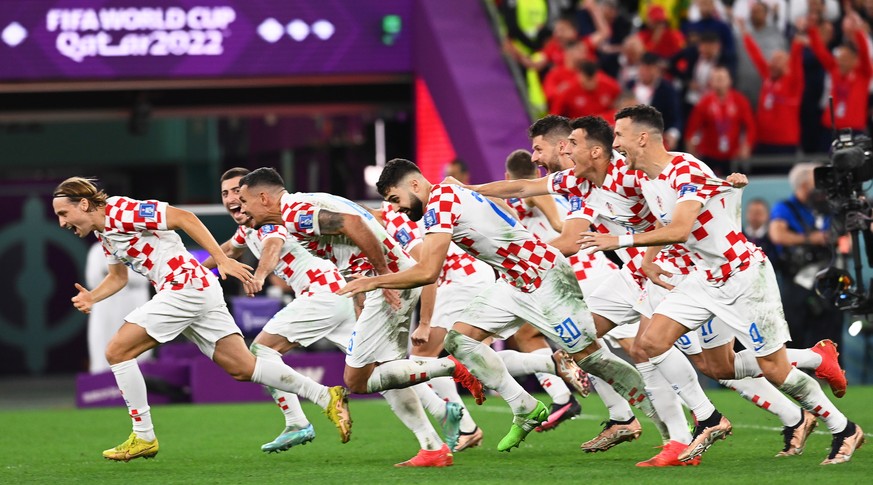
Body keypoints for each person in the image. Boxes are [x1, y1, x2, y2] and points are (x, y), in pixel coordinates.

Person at [584, 104, 863, 465]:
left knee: (775, 370)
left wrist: (618, 243)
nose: (614, 144)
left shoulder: (684, 169)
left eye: (619, 135)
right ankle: (710, 418)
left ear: (642, 137)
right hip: (701, 279)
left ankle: (842, 426)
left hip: (742, 273)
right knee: (660, 346)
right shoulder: (644, 178)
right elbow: (658, 224)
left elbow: (681, 227)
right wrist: (649, 261)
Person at [339, 158, 655, 455]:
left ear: (416, 185)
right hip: (511, 282)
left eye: (396, 198)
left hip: (543, 277)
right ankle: (525, 406)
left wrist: (373, 281)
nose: (397, 208)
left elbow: (427, 272)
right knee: (459, 340)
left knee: (592, 358)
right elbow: (509, 200)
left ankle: (673, 424)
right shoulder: (451, 193)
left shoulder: (440, 204)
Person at [52, 177, 351, 462]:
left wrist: (221, 260)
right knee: (243, 368)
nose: (62, 223)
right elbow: (118, 278)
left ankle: (143, 435)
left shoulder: (121, 210)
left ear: (84, 204)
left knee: (117, 351)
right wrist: (93, 296)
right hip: (197, 290)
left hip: (184, 287)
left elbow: (184, 218)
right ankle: (325, 395)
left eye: (64, 213)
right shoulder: (105, 232)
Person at [237, 168, 483, 467]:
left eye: (245, 201)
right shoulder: (308, 200)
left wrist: (382, 275)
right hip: (390, 282)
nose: (243, 209)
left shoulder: (295, 214)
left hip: (390, 283)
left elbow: (352, 223)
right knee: (388, 372)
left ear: (264, 197)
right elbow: (361, 225)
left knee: (356, 381)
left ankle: (447, 366)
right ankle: (432, 447)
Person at [202, 167, 361, 453]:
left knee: (261, 353)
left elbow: (272, 247)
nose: (231, 198)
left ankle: (310, 410)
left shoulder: (269, 222)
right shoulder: (247, 229)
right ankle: (451, 413)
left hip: (321, 294)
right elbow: (228, 250)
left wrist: (261, 275)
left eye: (237, 191)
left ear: (254, 193)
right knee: (379, 370)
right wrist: (190, 272)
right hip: (337, 294)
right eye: (224, 193)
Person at [769, 163, 843, 351]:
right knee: (795, 329)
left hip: (826, 276)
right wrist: (810, 239)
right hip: (797, 279)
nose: (821, 186)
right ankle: (795, 373)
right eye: (816, 181)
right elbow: (777, 234)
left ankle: (832, 374)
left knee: (830, 326)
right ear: (803, 185)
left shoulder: (826, 208)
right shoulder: (786, 207)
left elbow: (844, 234)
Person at [85, 241, 151, 373]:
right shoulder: (97, 250)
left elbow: (144, 277)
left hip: (134, 303)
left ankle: (143, 385)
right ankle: (102, 387)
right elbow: (92, 279)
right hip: (105, 304)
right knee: (102, 346)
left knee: (137, 347)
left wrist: (116, 274)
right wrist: (114, 276)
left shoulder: (140, 245)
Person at [684, 66, 756, 176]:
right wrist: (692, 155)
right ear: (711, 82)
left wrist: (747, 145)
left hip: (733, 156)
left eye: (722, 78)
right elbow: (692, 129)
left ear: (730, 81)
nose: (719, 82)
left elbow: (750, 126)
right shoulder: (704, 102)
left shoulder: (740, 101)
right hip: (709, 155)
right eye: (716, 79)